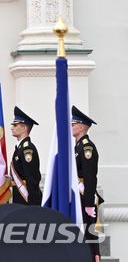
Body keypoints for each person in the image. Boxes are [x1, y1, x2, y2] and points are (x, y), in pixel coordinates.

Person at [72, 106, 102, 262]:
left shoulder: (86, 147)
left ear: (82, 126)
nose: (71, 126)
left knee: (89, 238)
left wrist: (89, 203)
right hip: (80, 197)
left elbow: (90, 178)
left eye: (73, 123)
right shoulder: (78, 147)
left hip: (86, 197)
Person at [9, 107, 42, 205]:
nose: (12, 128)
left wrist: (33, 203)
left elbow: (32, 178)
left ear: (24, 128)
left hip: (26, 198)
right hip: (19, 196)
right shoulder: (20, 148)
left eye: (15, 125)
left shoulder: (27, 150)